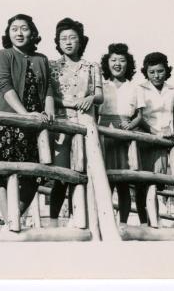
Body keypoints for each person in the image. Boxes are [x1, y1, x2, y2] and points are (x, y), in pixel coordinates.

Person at [0, 14, 54, 231]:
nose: (19, 33)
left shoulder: (41, 59)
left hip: (34, 124)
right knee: (4, 175)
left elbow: (49, 89)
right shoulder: (2, 55)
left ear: (32, 33)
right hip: (6, 121)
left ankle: (13, 218)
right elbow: (4, 86)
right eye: (14, 29)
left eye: (24, 28)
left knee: (34, 174)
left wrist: (49, 112)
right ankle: (11, 224)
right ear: (8, 33)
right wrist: (25, 114)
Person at [48, 17, 103, 227]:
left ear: (81, 41)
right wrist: (72, 103)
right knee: (61, 175)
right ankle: (53, 223)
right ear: (58, 42)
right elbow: (50, 96)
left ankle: (77, 219)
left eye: (73, 38)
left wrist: (90, 98)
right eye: (64, 39)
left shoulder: (92, 66)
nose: (69, 42)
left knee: (82, 172)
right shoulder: (52, 66)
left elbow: (99, 96)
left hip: (86, 124)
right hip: (61, 125)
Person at [98, 43, 142, 225]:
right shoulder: (101, 85)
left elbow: (140, 115)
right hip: (104, 132)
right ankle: (105, 222)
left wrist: (130, 126)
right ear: (107, 63)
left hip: (125, 135)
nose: (117, 64)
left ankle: (123, 224)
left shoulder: (135, 87)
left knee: (124, 181)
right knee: (104, 181)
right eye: (113, 60)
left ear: (128, 64)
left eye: (122, 60)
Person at [135, 51, 174, 226]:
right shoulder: (141, 88)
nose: (156, 75)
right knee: (142, 181)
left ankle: (154, 220)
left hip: (164, 137)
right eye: (152, 72)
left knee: (156, 181)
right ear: (146, 72)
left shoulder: (173, 90)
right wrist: (154, 132)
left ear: (166, 71)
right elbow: (140, 116)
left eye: (160, 71)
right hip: (145, 136)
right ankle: (143, 223)